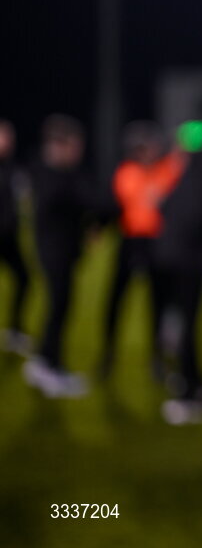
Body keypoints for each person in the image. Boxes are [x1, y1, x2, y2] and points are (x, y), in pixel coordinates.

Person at [23, 115, 110, 397]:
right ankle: (50, 367)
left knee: (60, 306)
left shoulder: (63, 173)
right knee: (59, 306)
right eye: (73, 145)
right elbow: (87, 200)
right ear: (58, 145)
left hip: (64, 250)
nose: (78, 152)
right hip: (53, 251)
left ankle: (44, 362)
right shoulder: (49, 172)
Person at [153, 141, 202, 424]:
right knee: (187, 325)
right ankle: (192, 388)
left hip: (173, 261)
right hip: (189, 262)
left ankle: (193, 388)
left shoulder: (185, 179)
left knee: (183, 324)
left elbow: (164, 209)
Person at [99, 121, 184, 379]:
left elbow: (182, 165)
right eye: (142, 148)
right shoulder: (127, 172)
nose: (148, 151)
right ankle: (108, 353)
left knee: (158, 302)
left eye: (151, 146)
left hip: (158, 244)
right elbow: (116, 205)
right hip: (130, 241)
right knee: (115, 299)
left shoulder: (168, 170)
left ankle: (157, 357)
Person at [0, 119, 31, 355]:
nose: (7, 141)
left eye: (9, 136)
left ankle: (15, 329)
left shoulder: (12, 167)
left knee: (24, 278)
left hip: (9, 238)